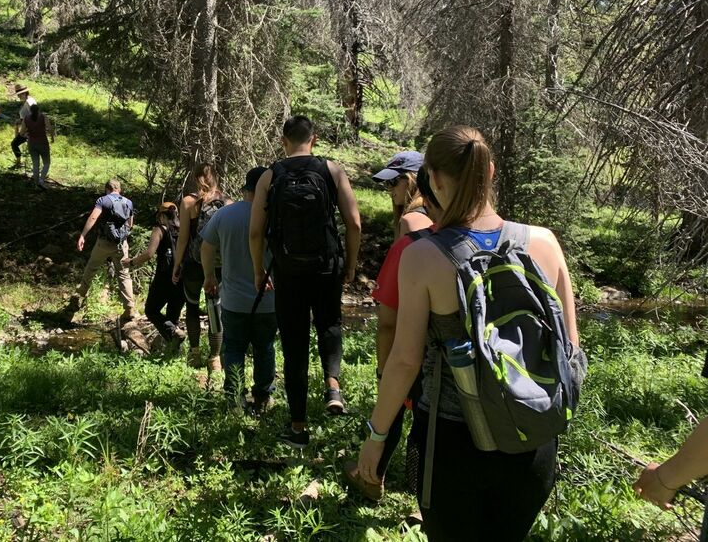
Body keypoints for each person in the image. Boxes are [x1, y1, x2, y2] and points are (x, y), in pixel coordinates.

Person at [355, 125, 581, 541]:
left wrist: (377, 436)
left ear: (434, 180)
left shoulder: (422, 256)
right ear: (490, 171)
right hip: (532, 442)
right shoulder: (546, 243)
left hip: (451, 443)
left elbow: (404, 361)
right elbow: (570, 351)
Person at [249, 115, 362, 447]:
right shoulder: (332, 170)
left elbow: (255, 232)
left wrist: (259, 270)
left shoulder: (270, 176)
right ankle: (333, 386)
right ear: (313, 139)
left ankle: (298, 427)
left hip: (288, 270)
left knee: (294, 344)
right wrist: (350, 264)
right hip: (327, 264)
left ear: (284, 141)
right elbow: (353, 223)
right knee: (329, 322)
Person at [365, 166, 443, 510]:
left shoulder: (411, 231)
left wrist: (384, 370)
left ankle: (372, 476)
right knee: (429, 424)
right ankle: (422, 494)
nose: (390, 191)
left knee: (395, 405)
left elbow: (388, 321)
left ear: (413, 180)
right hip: (448, 359)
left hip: (413, 347)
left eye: (394, 183)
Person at [201, 166, 278, 413]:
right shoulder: (275, 217)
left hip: (233, 300)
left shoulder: (225, 214)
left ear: (245, 189)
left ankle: (235, 397)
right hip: (268, 300)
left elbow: (206, 246)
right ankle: (263, 396)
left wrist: (209, 276)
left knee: (234, 348)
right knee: (264, 347)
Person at [172, 163, 231, 370]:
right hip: (218, 265)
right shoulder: (227, 202)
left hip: (194, 264)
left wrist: (177, 264)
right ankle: (214, 358)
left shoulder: (189, 202)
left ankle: (194, 353)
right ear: (216, 178)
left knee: (192, 306)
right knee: (216, 310)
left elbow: (183, 238)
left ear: (196, 178)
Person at [68, 179, 137, 323]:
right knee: (124, 274)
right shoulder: (128, 202)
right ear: (119, 189)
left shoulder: (103, 200)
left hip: (104, 242)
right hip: (121, 244)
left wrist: (83, 235)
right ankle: (130, 307)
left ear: (107, 189)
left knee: (91, 268)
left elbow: (93, 217)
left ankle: (79, 296)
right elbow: (130, 224)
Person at [124, 202, 187, 349]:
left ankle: (174, 333)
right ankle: (173, 348)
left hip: (164, 277)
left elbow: (149, 254)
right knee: (173, 316)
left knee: (151, 310)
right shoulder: (184, 229)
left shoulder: (159, 229)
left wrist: (132, 262)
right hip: (182, 277)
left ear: (162, 216)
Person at [374, 151, 432, 237]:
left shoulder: (414, 220)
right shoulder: (430, 211)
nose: (389, 188)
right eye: (387, 182)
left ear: (413, 179)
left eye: (393, 181)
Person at [25, 102, 55, 189]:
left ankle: (36, 184)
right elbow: (49, 129)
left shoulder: (26, 118)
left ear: (30, 111)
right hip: (43, 143)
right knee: (46, 162)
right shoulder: (43, 117)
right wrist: (52, 138)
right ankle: (41, 181)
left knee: (35, 164)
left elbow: (22, 132)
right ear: (38, 110)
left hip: (31, 143)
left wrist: (27, 135)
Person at [11, 83, 37, 169]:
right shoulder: (28, 101)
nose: (18, 97)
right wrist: (20, 120)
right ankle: (20, 163)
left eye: (19, 95)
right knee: (16, 144)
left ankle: (22, 164)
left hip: (28, 130)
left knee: (15, 144)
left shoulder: (30, 101)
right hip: (25, 128)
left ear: (23, 93)